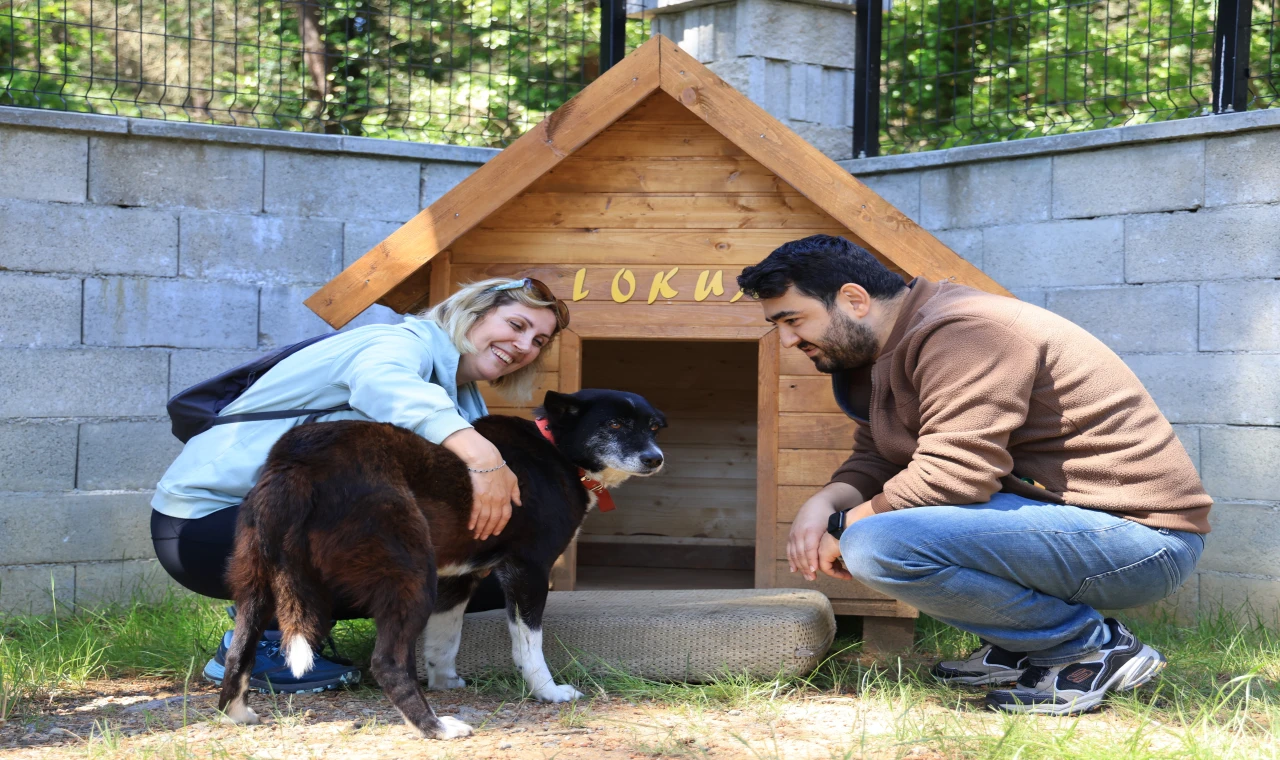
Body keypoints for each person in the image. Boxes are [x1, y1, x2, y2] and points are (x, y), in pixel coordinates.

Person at [737, 235, 1209, 716]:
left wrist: (846, 526)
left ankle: (1088, 648)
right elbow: (882, 455)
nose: (789, 340)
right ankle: (1020, 649)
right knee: (877, 531)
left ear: (853, 300)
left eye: (793, 320)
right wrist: (822, 506)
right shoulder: (890, 348)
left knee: (880, 543)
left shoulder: (967, 331)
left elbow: (954, 474)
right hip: (1065, 525)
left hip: (1142, 540)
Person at [151, 277, 570, 693]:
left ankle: (301, 625)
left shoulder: (464, 397)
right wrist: (484, 457)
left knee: (485, 584)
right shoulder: (397, 345)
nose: (524, 346)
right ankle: (264, 644)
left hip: (289, 523)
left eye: (538, 341)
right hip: (207, 525)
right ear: (473, 313)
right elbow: (385, 385)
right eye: (516, 326)